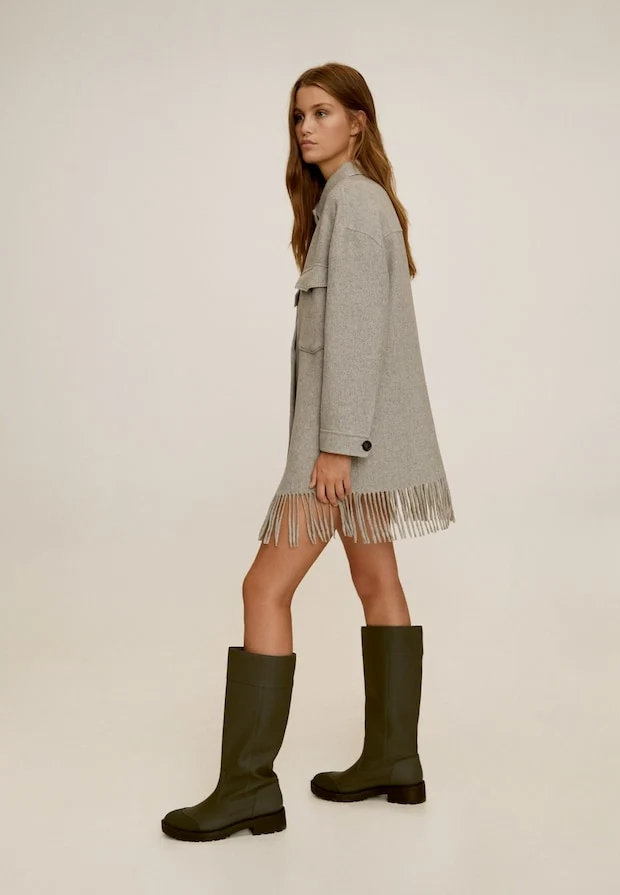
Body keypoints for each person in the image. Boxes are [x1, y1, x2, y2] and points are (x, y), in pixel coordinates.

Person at [161, 62, 456, 842]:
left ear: (358, 121)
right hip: (366, 442)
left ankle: (248, 787)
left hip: (344, 447)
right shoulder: (357, 202)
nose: (304, 128)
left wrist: (336, 450)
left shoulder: (353, 206)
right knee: (376, 579)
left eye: (322, 112)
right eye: (298, 115)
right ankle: (394, 758)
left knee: (264, 587)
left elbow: (355, 341)